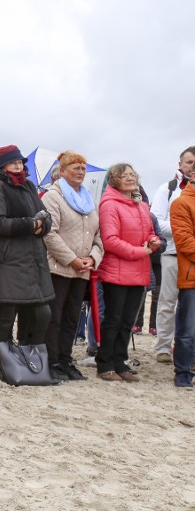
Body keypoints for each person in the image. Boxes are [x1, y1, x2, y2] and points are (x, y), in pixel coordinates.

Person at [0, 145, 55, 381]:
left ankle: (28, 362)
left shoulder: (29, 186)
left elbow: (44, 216)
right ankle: (0, 367)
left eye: (20, 163)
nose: (18, 167)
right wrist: (30, 224)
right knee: (4, 319)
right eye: (13, 163)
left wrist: (43, 224)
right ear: (1, 166)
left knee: (42, 313)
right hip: (7, 261)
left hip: (33, 261)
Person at [42, 151, 104, 382]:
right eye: (75, 167)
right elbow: (50, 233)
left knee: (71, 317)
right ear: (62, 171)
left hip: (82, 270)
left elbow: (98, 235)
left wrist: (92, 258)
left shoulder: (88, 200)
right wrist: (72, 259)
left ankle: (66, 359)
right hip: (58, 267)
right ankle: (52, 360)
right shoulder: (53, 197)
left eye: (82, 168)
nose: (80, 171)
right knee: (55, 316)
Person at [96, 164, 161, 382]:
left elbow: (150, 231)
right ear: (114, 180)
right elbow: (110, 240)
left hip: (138, 270)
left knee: (127, 320)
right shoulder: (109, 204)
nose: (130, 178)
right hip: (117, 269)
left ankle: (120, 361)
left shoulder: (141, 205)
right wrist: (140, 251)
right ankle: (104, 362)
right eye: (124, 175)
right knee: (113, 318)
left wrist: (153, 240)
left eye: (133, 175)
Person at [151, 146, 195, 364]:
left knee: (190, 304)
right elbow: (156, 221)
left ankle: (187, 347)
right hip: (172, 253)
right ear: (180, 164)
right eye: (188, 162)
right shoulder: (167, 189)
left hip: (193, 256)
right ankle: (163, 347)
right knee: (167, 302)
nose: (191, 166)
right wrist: (183, 226)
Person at [170, 180, 195, 387]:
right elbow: (185, 241)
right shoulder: (181, 203)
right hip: (191, 276)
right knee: (187, 330)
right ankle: (183, 373)